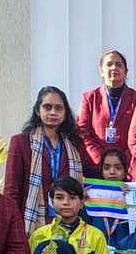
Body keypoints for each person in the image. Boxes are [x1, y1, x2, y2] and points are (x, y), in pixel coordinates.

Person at [6, 86, 86, 234]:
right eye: (47, 107)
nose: (53, 112)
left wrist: (119, 185)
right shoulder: (21, 142)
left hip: (67, 221)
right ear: (38, 110)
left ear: (65, 113)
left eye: (59, 108)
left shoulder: (74, 144)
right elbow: (12, 191)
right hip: (32, 220)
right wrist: (12, 227)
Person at [76, 50, 136, 176]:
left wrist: (121, 162)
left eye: (118, 64)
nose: (114, 68)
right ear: (101, 70)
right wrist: (102, 160)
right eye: (109, 64)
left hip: (129, 168)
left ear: (126, 71)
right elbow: (83, 132)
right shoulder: (89, 98)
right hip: (95, 167)